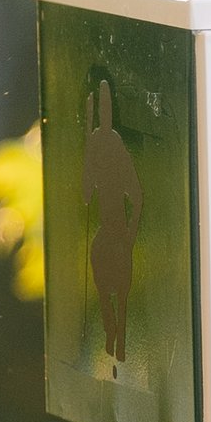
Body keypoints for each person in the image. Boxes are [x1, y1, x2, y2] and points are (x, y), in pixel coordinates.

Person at [81, 78, 142, 363]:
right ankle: (111, 333)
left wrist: (130, 234)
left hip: (117, 233)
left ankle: (119, 342)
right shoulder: (99, 162)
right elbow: (84, 195)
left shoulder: (119, 162)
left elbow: (138, 196)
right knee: (104, 292)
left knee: (122, 297)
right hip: (107, 233)